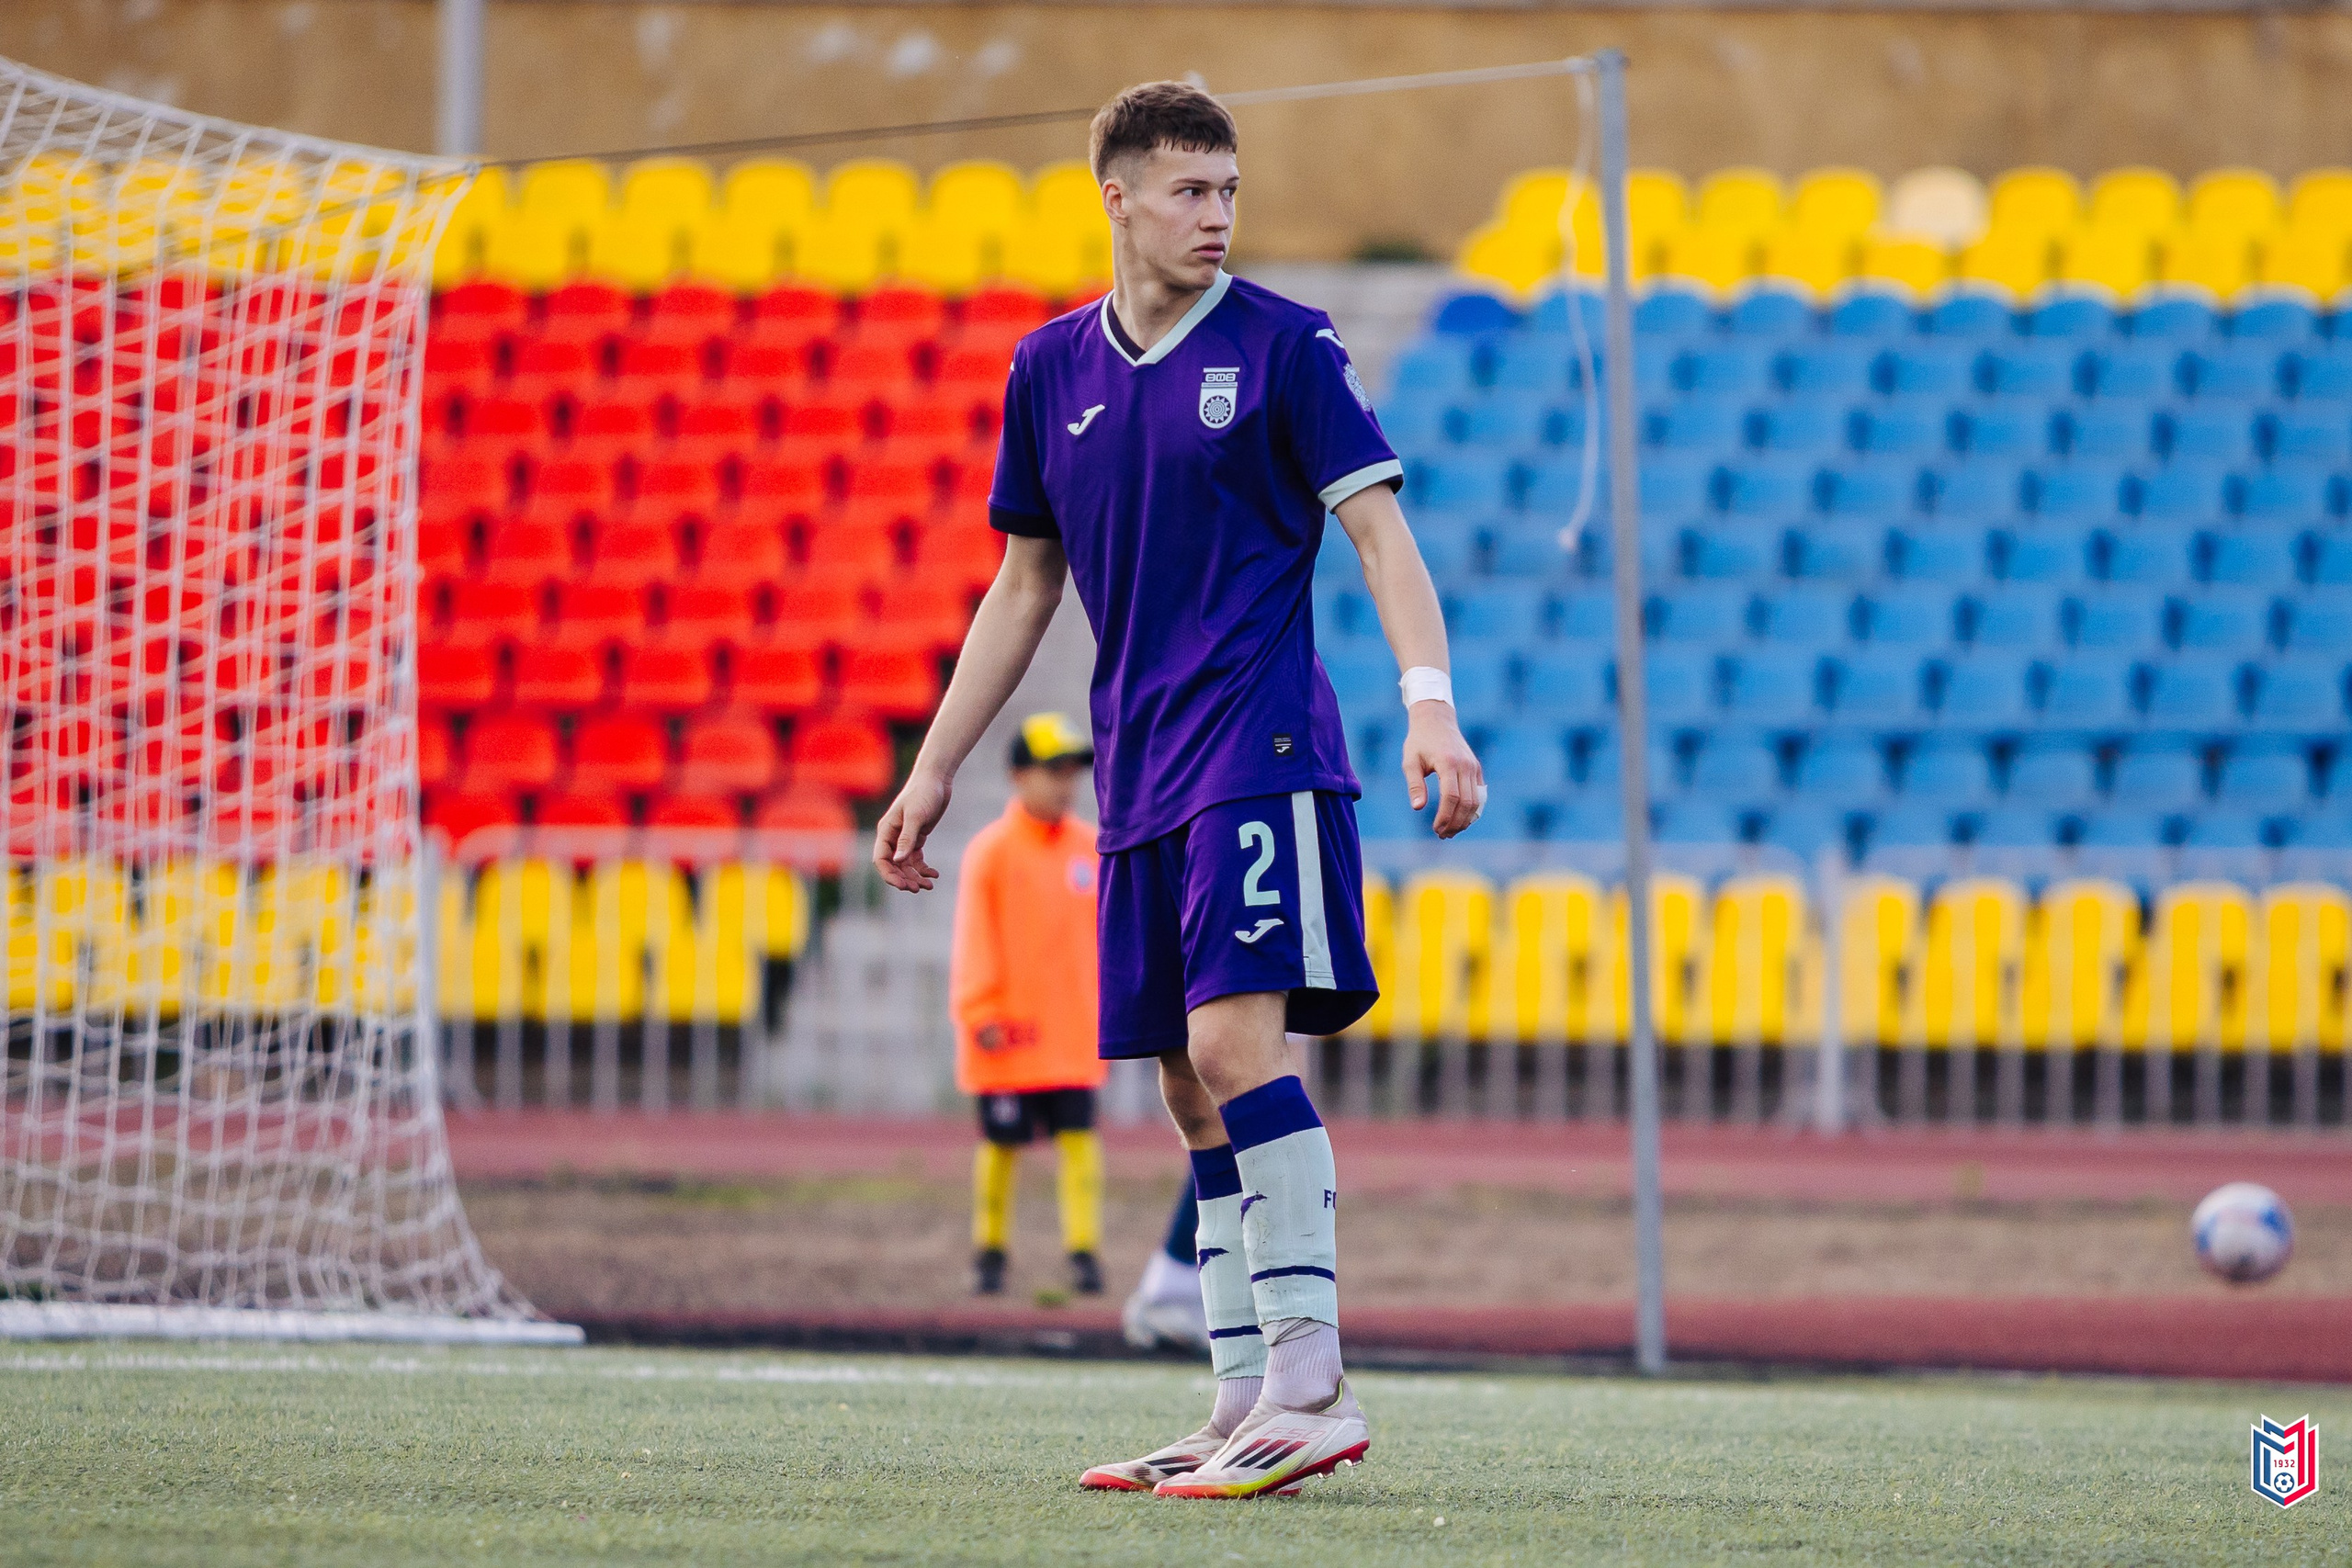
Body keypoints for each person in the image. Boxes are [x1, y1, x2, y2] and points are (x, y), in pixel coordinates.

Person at [875, 81, 1482, 1500]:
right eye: (1191, 190)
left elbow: (1381, 537)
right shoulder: (1048, 370)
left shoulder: (1286, 345)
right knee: (1183, 1087)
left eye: (1229, 190)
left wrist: (1430, 705)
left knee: (1232, 1049)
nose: (1218, 215)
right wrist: (936, 762)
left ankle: (1312, 1379)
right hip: (1138, 766)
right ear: (1120, 197)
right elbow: (1023, 583)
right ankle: (1235, 1394)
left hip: (1258, 749)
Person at [949, 712, 1107, 1298]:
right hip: (1009, 1030)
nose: (1066, 783)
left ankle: (1083, 1252)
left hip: (1073, 1030)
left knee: (1080, 1141)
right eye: (1052, 770)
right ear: (1018, 775)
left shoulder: (1092, 848)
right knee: (1000, 1145)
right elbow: (975, 937)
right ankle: (989, 1251)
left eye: (1071, 771)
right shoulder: (991, 852)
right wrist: (980, 1011)